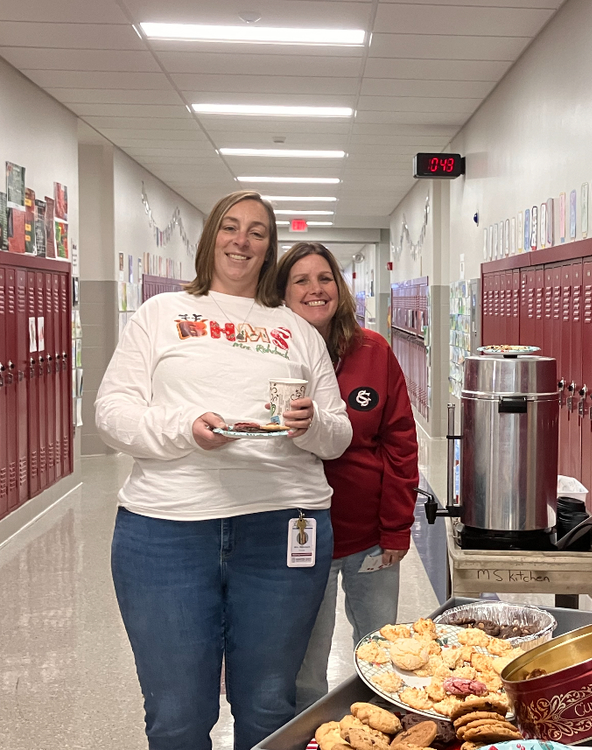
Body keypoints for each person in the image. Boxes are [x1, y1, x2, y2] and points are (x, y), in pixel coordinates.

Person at [95, 192, 353, 750]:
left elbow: (338, 434)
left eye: (257, 232)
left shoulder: (298, 330)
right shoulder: (160, 315)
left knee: (268, 704)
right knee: (177, 712)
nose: (242, 240)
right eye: (231, 228)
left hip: (283, 528)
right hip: (166, 530)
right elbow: (112, 414)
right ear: (210, 236)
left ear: (269, 247)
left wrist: (309, 426)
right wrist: (186, 427)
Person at [277, 242, 419, 711]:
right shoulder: (270, 356)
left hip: (370, 538)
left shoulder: (373, 351)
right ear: (281, 291)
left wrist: (397, 528)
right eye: (301, 280)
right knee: (303, 664)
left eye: (325, 278)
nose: (316, 290)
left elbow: (400, 442)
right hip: (298, 535)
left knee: (382, 656)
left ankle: (378, 733)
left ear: (339, 286)